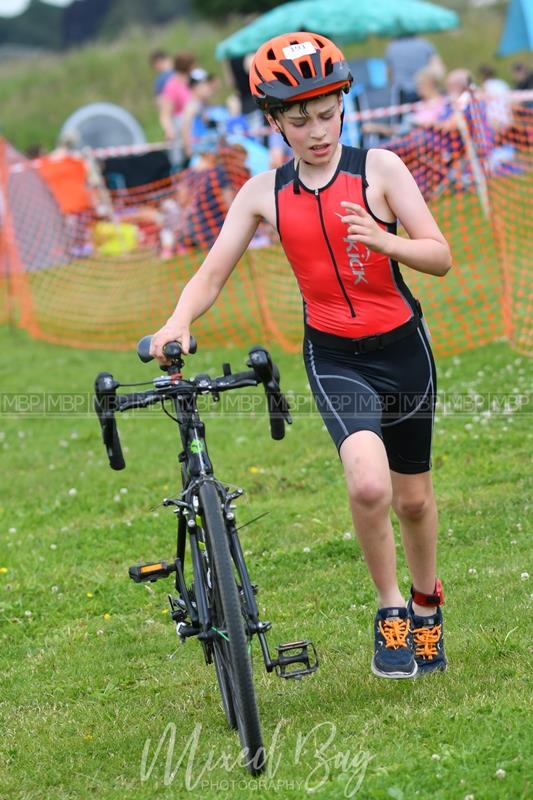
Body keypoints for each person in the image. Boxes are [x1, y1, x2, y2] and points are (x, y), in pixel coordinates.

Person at [150, 32, 452, 679]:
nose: (316, 130)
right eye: (298, 119)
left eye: (326, 113)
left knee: (414, 500)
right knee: (368, 484)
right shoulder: (263, 192)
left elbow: (439, 255)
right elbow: (209, 274)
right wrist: (177, 318)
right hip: (334, 354)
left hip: (402, 347)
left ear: (343, 104)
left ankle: (428, 605)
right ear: (273, 121)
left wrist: (384, 241)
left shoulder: (380, 169)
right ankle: (390, 608)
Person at [159, 51, 196, 169]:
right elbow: (165, 114)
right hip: (179, 128)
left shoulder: (192, 82)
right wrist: (169, 130)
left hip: (194, 128)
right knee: (180, 164)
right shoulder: (172, 86)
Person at [385, 33, 445, 104]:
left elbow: (389, 73)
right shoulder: (425, 44)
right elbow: (438, 67)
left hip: (402, 91)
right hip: (424, 88)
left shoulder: (391, 47)